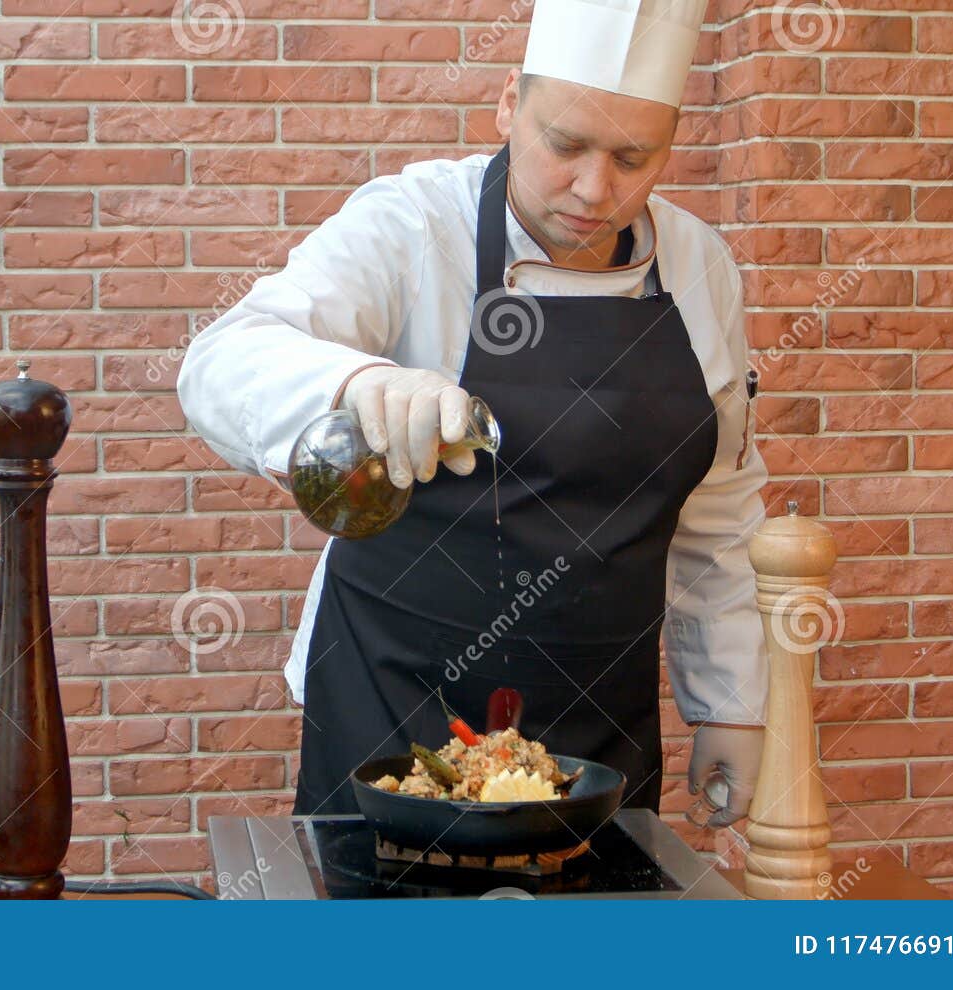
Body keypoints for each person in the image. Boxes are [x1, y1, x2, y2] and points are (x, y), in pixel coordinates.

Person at [178, 0, 768, 828]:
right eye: (565, 146)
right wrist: (355, 385)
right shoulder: (417, 222)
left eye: (635, 157)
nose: (595, 190)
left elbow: (717, 507)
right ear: (506, 106)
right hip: (393, 701)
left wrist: (732, 702)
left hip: (599, 723)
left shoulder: (700, 265)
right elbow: (221, 361)